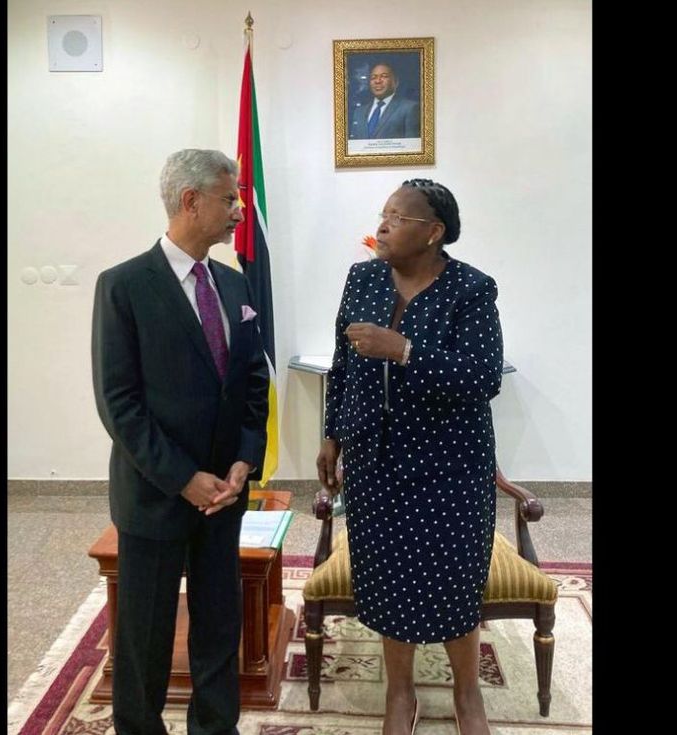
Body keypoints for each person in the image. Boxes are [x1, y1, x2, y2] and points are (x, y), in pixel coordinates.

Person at [92, 148, 270, 735]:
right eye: (230, 197)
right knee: (144, 634)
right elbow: (120, 406)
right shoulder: (123, 286)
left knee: (220, 626)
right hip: (157, 495)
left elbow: (251, 382)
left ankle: (214, 727)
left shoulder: (233, 281)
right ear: (191, 201)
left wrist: (245, 460)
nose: (240, 210)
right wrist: (183, 478)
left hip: (224, 494)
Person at [316, 179, 503, 735]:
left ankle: (468, 695)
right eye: (384, 213)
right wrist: (332, 435)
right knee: (388, 583)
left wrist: (404, 350)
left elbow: (483, 377)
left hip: (450, 468)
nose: (384, 224)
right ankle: (401, 695)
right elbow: (342, 364)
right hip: (376, 465)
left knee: (453, 581)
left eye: (399, 217)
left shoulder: (471, 289)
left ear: (434, 232)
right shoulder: (363, 277)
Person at [350, 63, 421, 140]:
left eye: (384, 76)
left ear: (396, 82)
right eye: (373, 77)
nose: (377, 81)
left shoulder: (410, 108)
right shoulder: (359, 112)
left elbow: (412, 145)